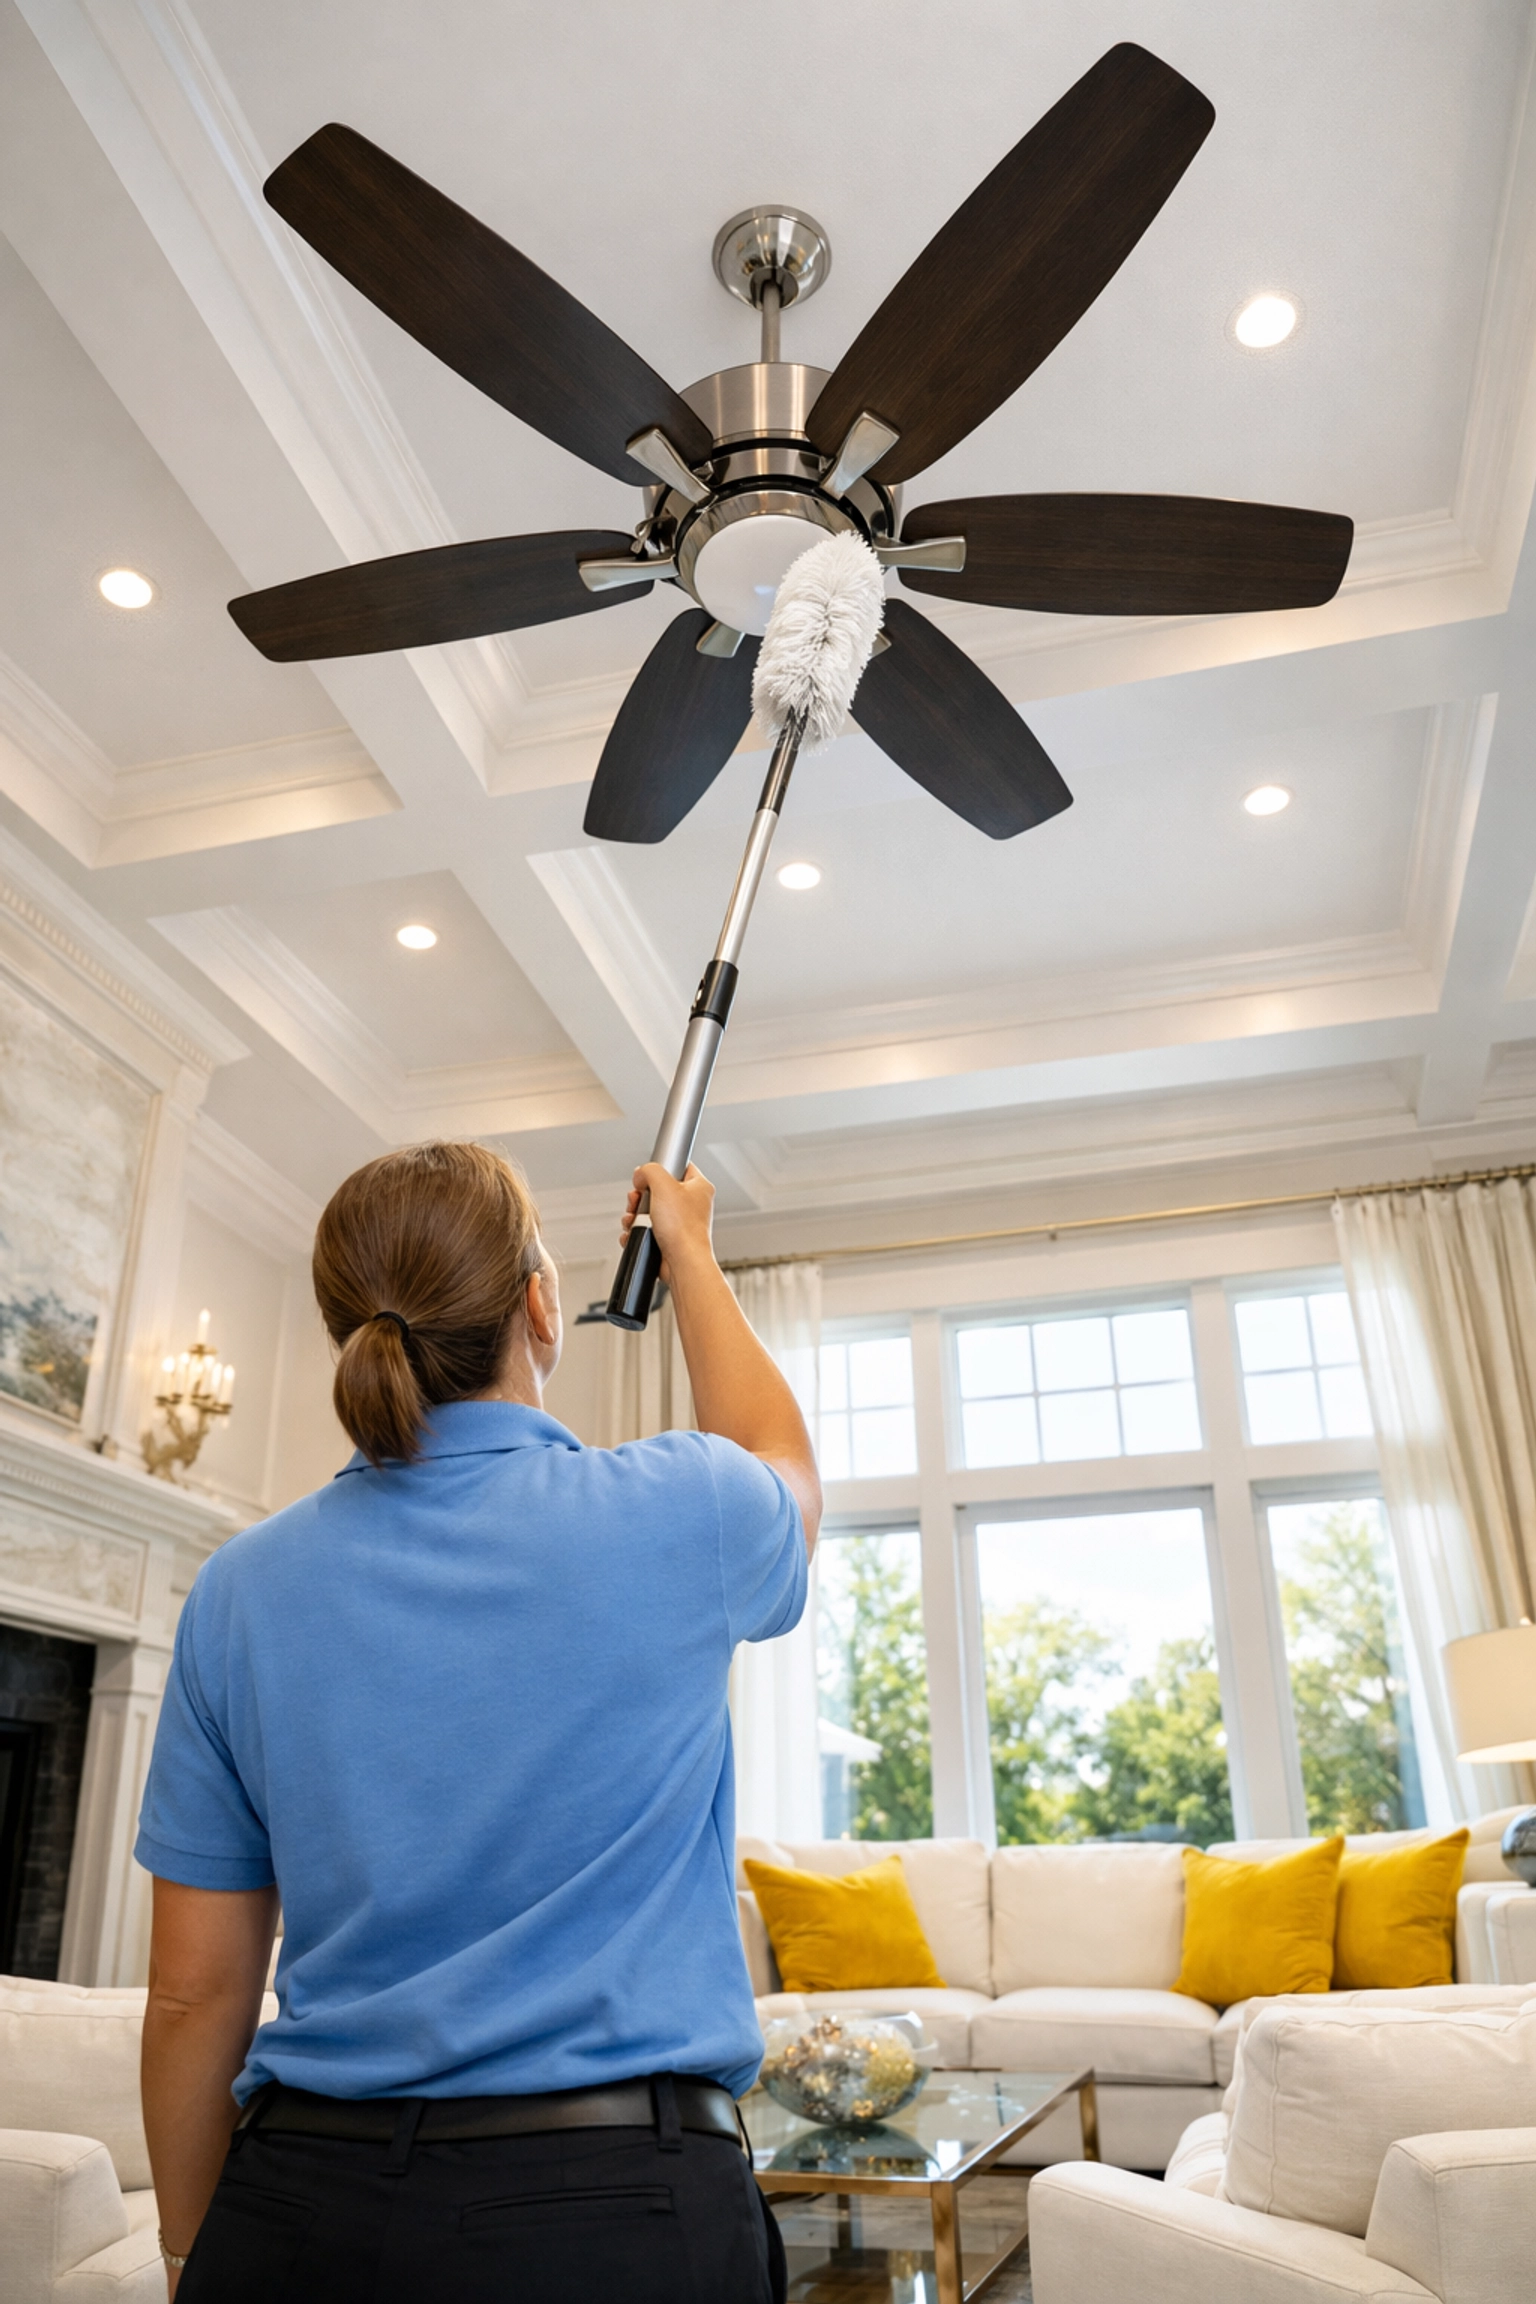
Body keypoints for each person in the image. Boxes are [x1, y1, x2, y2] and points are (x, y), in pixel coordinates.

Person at [134, 1142, 819, 2302]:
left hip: (300, 2210)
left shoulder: (240, 1589)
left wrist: (195, 2253)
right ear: (541, 1306)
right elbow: (785, 1467)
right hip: (620, 2222)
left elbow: (196, 1993)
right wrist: (690, 1251)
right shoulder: (677, 1512)